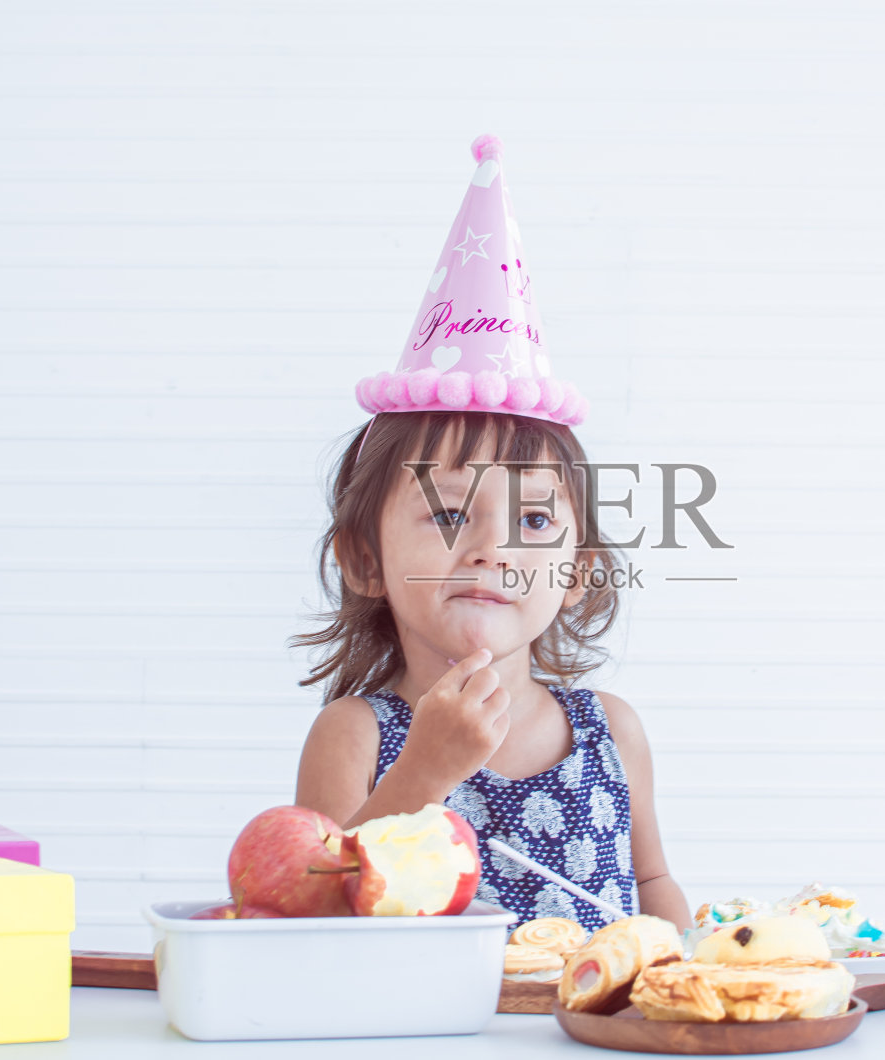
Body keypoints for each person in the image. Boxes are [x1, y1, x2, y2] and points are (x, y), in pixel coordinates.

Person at [290, 134, 689, 933]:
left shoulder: (611, 731)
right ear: (365, 559)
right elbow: (314, 913)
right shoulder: (356, 736)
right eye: (447, 514)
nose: (494, 549)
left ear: (577, 573)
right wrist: (423, 772)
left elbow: (653, 883)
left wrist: (684, 958)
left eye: (534, 520)